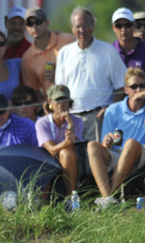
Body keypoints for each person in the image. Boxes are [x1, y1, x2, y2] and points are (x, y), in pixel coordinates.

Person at [87, 68, 145, 205]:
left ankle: (110, 196)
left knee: (130, 143)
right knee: (92, 146)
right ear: (126, 90)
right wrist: (107, 142)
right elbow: (105, 144)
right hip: (118, 153)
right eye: (134, 86)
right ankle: (108, 199)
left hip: (144, 154)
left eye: (142, 86)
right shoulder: (114, 109)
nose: (138, 90)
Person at [55, 7, 128, 143]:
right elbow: (60, 89)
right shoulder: (64, 53)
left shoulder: (108, 51)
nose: (81, 31)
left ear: (93, 26)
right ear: (72, 28)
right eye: (78, 27)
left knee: (97, 159)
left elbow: (122, 86)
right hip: (71, 118)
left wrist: (109, 109)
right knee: (73, 161)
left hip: (98, 117)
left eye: (85, 26)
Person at [36, 84, 85, 195]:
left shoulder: (77, 121)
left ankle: (71, 197)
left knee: (67, 154)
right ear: (50, 103)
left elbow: (74, 146)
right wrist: (66, 142)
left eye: (65, 100)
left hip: (72, 159)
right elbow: (52, 150)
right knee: (64, 153)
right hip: (48, 159)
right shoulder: (42, 123)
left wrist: (70, 124)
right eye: (58, 100)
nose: (62, 104)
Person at [20, 7, 76, 101]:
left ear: (47, 22)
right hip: (53, 109)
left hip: (77, 101)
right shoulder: (27, 58)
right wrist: (45, 108)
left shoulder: (68, 41)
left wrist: (59, 75)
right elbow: (34, 90)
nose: (34, 27)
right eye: (30, 24)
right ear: (26, 28)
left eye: (38, 22)